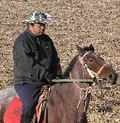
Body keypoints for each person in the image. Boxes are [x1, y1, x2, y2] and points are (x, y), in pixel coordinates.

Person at [13, 11, 62, 123]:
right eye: (39, 25)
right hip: (28, 81)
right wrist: (46, 75)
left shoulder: (47, 40)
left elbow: (55, 59)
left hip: (47, 79)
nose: (42, 28)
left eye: (44, 25)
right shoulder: (22, 41)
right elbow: (28, 64)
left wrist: (58, 75)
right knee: (29, 104)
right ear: (30, 25)